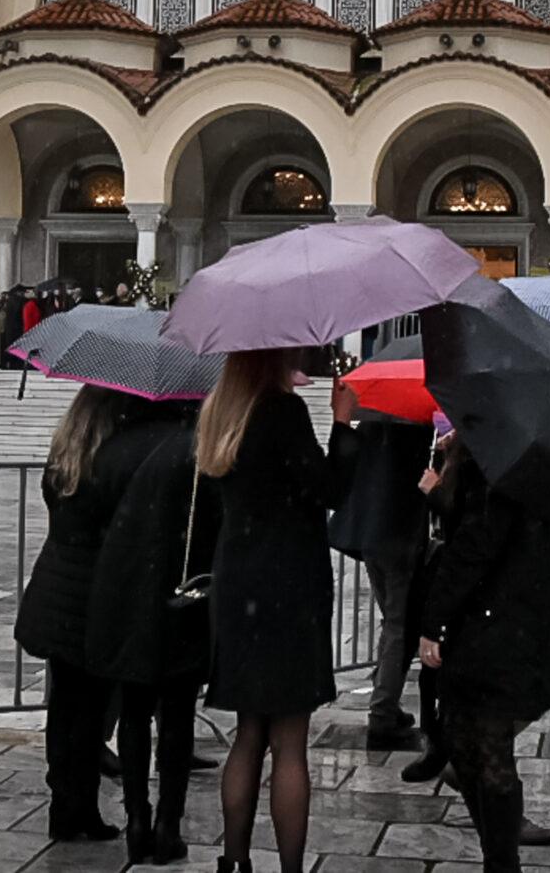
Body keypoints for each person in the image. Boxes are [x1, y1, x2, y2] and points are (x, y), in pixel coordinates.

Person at [201, 349, 348, 873]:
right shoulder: (282, 411)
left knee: (248, 731)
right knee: (289, 740)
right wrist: (343, 425)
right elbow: (329, 487)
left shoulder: (221, 410)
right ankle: (289, 869)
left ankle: (234, 860)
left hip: (240, 581)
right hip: (288, 582)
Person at [417, 436, 550, 873]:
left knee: (485, 747)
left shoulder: (498, 459)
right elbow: (520, 527)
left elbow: (475, 544)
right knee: (474, 743)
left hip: (494, 626)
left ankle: (501, 860)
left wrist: (433, 620)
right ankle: (499, 855)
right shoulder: (538, 454)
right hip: (518, 619)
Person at [16, 386, 151, 841]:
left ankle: (63, 804)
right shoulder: (111, 464)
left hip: (57, 587)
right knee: (90, 709)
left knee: (66, 706)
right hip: (92, 597)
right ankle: (82, 808)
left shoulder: (64, 460)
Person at [86, 399, 214, 864]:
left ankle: (137, 818)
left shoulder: (113, 447)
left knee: (135, 710)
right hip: (179, 598)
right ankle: (167, 824)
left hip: (123, 594)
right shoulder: (198, 452)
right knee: (176, 716)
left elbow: (93, 512)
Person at [326, 401, 432, 751]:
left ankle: (387, 703)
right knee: (400, 626)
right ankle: (382, 714)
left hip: (371, 531)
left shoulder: (373, 418)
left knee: (392, 621)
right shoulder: (418, 424)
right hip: (399, 533)